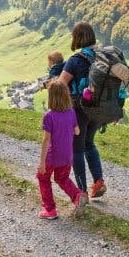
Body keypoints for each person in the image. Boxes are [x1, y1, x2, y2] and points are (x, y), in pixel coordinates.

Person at [59, 22, 106, 199]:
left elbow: (61, 84)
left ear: (77, 38)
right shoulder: (103, 57)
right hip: (100, 110)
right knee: (89, 144)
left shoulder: (75, 60)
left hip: (80, 110)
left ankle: (82, 192)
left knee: (77, 149)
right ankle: (99, 181)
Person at [37, 82, 87, 219]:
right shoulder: (71, 112)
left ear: (51, 97)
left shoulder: (49, 116)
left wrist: (41, 162)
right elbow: (77, 131)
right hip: (67, 155)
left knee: (43, 178)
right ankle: (77, 196)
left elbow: (46, 140)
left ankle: (50, 210)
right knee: (62, 178)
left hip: (52, 156)